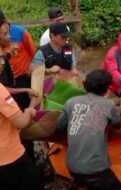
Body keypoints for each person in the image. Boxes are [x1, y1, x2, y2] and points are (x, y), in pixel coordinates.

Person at [56, 69, 121, 190]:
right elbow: (118, 124)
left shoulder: (71, 102)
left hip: (73, 167)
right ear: (107, 89)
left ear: (84, 84)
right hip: (96, 170)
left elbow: (59, 126)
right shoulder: (108, 104)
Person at [0, 20, 43, 190]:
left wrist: (23, 89)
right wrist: (30, 111)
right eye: (4, 34)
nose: (3, 62)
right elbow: (21, 122)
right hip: (8, 155)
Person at [0, 9, 36, 110]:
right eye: (5, 35)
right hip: (8, 85)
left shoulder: (21, 32)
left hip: (22, 78)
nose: (9, 37)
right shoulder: (2, 62)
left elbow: (34, 55)